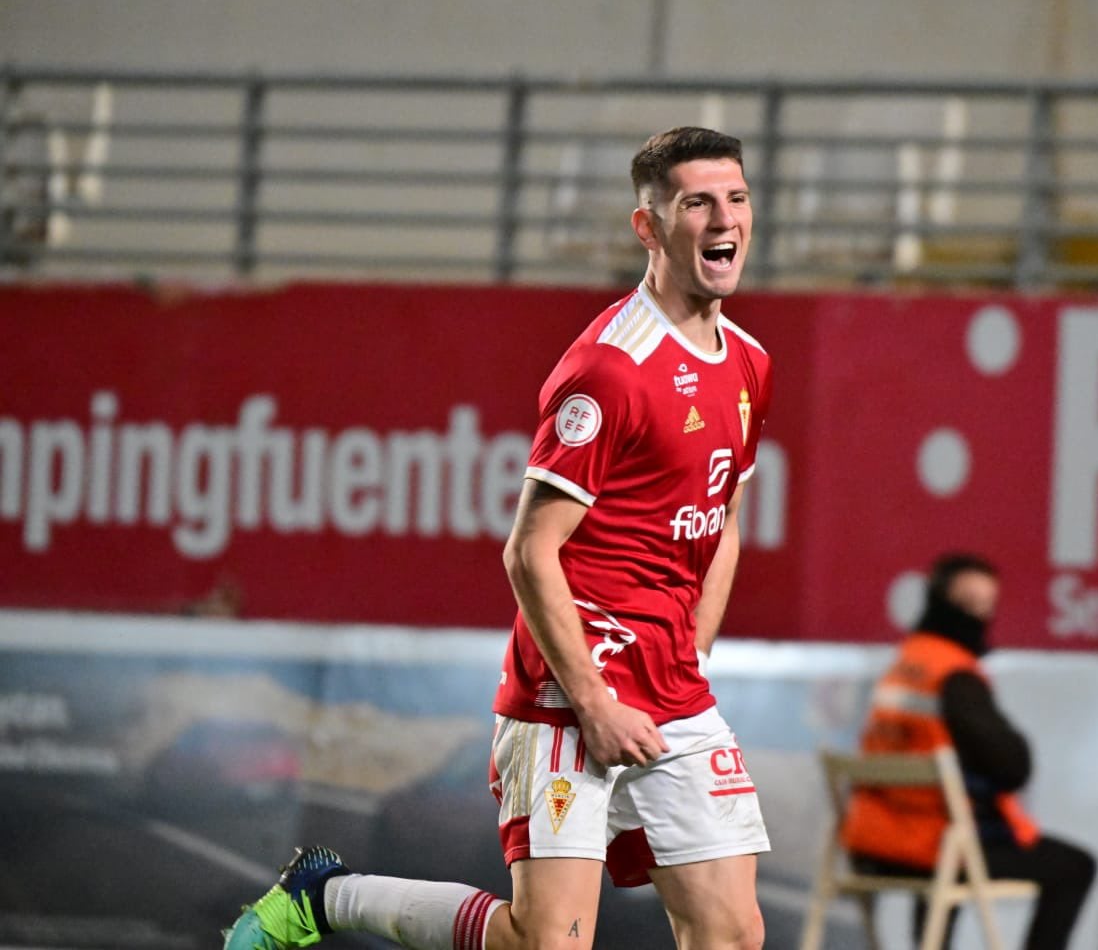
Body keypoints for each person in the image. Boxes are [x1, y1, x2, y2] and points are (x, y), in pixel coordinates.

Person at [223, 126, 773, 950]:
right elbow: (528, 550)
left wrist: (688, 648)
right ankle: (325, 896)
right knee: (544, 942)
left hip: (672, 691)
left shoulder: (751, 366)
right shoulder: (609, 371)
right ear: (650, 227)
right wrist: (593, 699)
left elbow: (721, 517)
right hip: (566, 693)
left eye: (734, 198)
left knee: (732, 936)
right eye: (696, 201)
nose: (721, 218)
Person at [841, 553, 1097, 950]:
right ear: (946, 601)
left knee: (956, 833)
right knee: (1074, 867)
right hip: (930, 847)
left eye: (987, 605)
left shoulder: (906, 661)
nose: (980, 615)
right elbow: (1012, 766)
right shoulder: (956, 676)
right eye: (972, 603)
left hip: (874, 840)